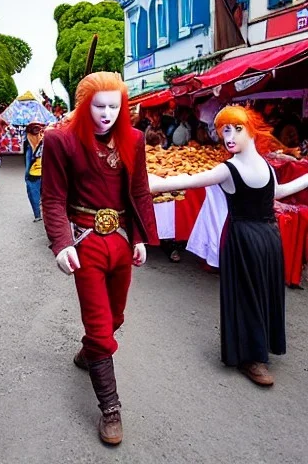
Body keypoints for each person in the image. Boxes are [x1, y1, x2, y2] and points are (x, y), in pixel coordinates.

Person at [149, 106, 308, 387]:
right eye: (224, 130)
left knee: (267, 291)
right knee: (246, 295)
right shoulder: (227, 169)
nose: (229, 136)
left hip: (269, 238)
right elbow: (189, 181)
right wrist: (153, 183)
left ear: (252, 131)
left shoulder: (267, 167)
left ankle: (262, 346)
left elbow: (278, 193)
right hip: (242, 236)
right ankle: (251, 357)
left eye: (236, 129)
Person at [41, 72, 158, 445]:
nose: (107, 113)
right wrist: (62, 244)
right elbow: (53, 198)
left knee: (116, 315)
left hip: (121, 240)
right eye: (98, 105)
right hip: (85, 241)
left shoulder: (134, 139)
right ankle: (110, 408)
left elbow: (139, 191)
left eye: (114, 105)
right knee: (98, 323)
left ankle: (90, 349)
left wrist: (141, 238)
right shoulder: (60, 141)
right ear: (83, 105)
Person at [24, 122, 44, 222]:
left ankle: (37, 215)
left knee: (33, 192)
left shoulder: (29, 141)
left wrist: (26, 176)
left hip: (34, 172)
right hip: (46, 172)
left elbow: (28, 160)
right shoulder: (45, 138)